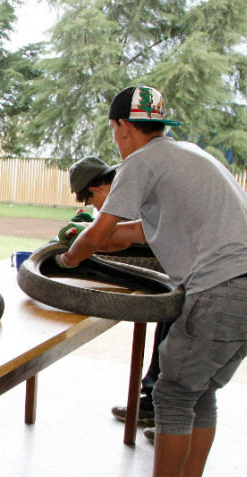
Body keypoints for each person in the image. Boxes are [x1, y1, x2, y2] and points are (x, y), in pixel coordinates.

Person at [56, 85, 247, 477]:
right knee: (200, 394)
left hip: (221, 288)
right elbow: (134, 232)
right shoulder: (187, 154)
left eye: (115, 129)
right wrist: (95, 236)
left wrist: (67, 260)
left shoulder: (141, 161)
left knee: (173, 396)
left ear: (120, 127)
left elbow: (99, 236)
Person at [64, 156, 166, 433]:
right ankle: (155, 404)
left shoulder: (126, 196)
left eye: (90, 201)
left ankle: (169, 417)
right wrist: (88, 234)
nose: (94, 208)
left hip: (198, 273)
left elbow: (118, 240)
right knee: (168, 335)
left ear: (96, 190)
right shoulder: (129, 189)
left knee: (178, 348)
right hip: (184, 273)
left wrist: (72, 253)